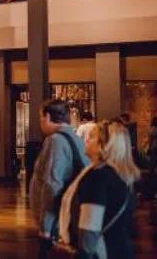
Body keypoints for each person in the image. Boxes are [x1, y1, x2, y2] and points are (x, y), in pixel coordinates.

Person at [58, 121, 140, 258]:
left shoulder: (97, 176)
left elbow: (90, 227)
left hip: (101, 252)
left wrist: (83, 254)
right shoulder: (123, 176)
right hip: (121, 250)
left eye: (91, 137)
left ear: (104, 145)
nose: (86, 140)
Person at [30, 99, 89, 258]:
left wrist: (46, 227)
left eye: (41, 117)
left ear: (48, 117)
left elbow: (52, 184)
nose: (40, 123)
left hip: (57, 223)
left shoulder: (55, 141)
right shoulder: (75, 139)